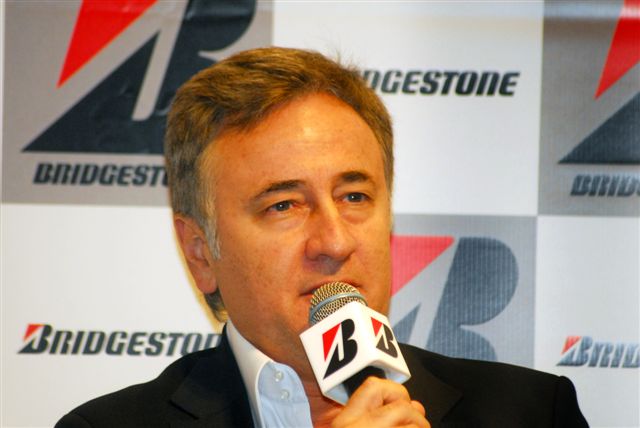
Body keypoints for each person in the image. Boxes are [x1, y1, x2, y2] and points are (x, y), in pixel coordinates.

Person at [55, 47, 589, 428]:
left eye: (354, 196)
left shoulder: (530, 411)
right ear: (201, 254)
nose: (334, 241)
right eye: (283, 205)